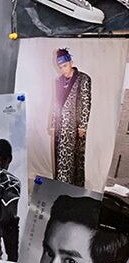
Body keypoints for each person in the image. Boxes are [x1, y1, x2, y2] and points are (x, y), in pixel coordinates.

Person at [48, 48, 91, 187]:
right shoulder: (58, 81)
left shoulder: (83, 79)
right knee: (60, 157)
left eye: (65, 66)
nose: (63, 70)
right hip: (60, 126)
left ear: (71, 62)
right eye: (60, 67)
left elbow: (86, 102)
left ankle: (72, 188)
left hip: (74, 126)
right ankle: (61, 186)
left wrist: (83, 125)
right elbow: (56, 103)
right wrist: (53, 123)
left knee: (74, 159)